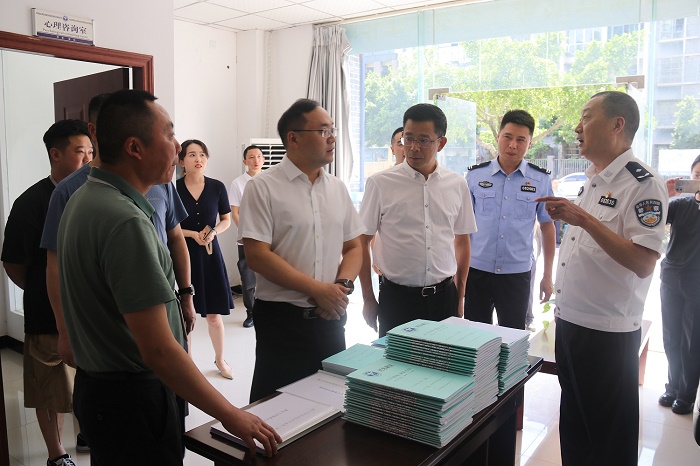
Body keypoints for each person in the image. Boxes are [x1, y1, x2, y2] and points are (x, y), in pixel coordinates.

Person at [57, 89, 280, 463]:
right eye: (169, 135)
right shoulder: (124, 221)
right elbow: (159, 350)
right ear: (134, 147)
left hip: (101, 391)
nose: (179, 149)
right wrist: (231, 415)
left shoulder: (86, 197)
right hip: (133, 399)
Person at [536, 91, 667, 465]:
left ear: (617, 125)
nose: (577, 128)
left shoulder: (642, 183)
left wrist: (584, 219)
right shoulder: (593, 179)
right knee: (576, 430)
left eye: (586, 117)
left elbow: (643, 262)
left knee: (609, 441)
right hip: (571, 324)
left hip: (606, 335)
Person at [239, 98, 364, 403]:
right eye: (323, 131)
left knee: (332, 401)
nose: (332, 138)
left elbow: (354, 246)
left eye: (332, 130)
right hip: (282, 321)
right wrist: (317, 290)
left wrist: (340, 286)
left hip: (331, 315)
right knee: (277, 406)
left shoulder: (337, 188)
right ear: (293, 138)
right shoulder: (263, 187)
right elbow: (257, 255)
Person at [1, 119, 92, 466]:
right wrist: (45, 290)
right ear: (55, 154)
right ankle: (57, 454)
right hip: (46, 312)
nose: (88, 160)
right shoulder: (31, 202)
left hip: (88, 311)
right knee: (50, 386)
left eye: (91, 152)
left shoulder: (94, 195)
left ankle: (86, 434)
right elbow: (14, 264)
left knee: (86, 378)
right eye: (80, 152)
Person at [359, 103, 477, 337]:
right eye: (408, 138)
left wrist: (460, 296)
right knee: (396, 361)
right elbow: (361, 242)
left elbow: (462, 241)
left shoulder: (457, 184)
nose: (413, 147)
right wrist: (368, 298)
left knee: (444, 359)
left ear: (440, 143)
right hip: (397, 300)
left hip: (444, 298)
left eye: (423, 140)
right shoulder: (380, 184)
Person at [464, 109, 555, 330]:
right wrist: (458, 273)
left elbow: (547, 226)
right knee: (474, 337)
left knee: (513, 337)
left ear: (530, 144)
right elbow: (462, 228)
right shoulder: (475, 176)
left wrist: (547, 275)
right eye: (508, 137)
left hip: (516, 275)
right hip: (476, 272)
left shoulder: (540, 179)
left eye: (521, 140)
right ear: (498, 137)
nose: (513, 145)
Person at [177, 139, 235, 379]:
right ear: (181, 161)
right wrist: (192, 234)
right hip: (183, 255)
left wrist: (213, 232)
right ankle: (188, 364)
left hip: (211, 256)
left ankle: (220, 359)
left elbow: (226, 220)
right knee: (186, 317)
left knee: (214, 315)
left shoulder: (217, 187)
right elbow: (169, 226)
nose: (198, 159)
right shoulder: (173, 189)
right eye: (191, 155)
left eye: (202, 154)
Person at [658, 154, 700, 415]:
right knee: (671, 336)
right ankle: (672, 387)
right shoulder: (681, 204)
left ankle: (687, 394)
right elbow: (652, 219)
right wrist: (665, 195)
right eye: (698, 175)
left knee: (692, 340)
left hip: (697, 282)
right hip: (672, 276)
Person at [230, 145, 265, 328]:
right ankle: (251, 312)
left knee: (270, 276)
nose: (256, 160)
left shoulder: (270, 180)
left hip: (269, 237)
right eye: (251, 157)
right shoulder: (238, 183)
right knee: (248, 277)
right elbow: (235, 212)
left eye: (259, 156)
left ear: (263, 159)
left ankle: (269, 311)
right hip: (246, 238)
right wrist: (245, 233)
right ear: (245, 161)